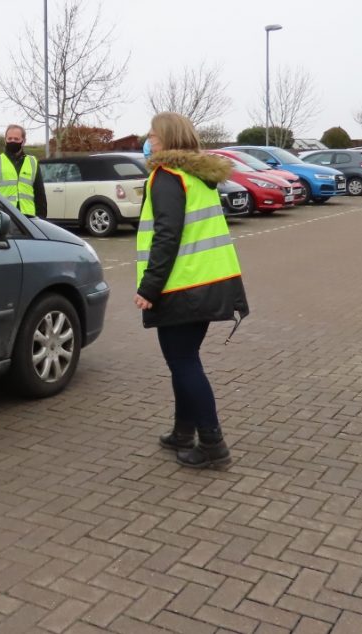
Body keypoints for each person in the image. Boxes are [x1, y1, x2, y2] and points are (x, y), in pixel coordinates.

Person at [133, 112, 249, 469]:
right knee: (184, 361)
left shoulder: (167, 177)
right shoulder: (198, 177)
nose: (148, 140)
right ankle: (183, 431)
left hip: (182, 286)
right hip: (211, 282)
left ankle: (214, 445)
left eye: (152, 134)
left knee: (183, 363)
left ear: (167, 138)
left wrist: (149, 288)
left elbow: (167, 236)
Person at [0, 124, 47, 218]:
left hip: (29, 217)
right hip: (4, 216)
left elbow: (40, 194)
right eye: (9, 139)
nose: (12, 141)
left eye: (16, 139)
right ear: (5, 140)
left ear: (23, 141)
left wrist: (42, 218)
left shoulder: (33, 162)